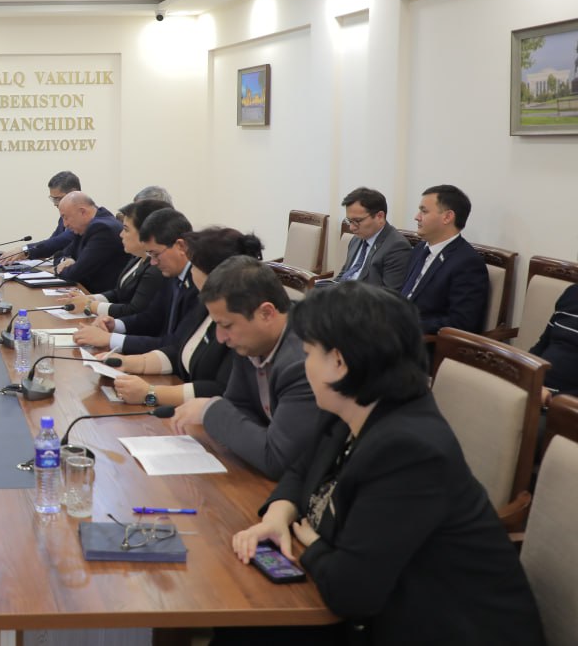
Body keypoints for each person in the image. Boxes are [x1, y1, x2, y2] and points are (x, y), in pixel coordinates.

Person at [227, 282, 545, 645]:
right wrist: (277, 516)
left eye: (308, 353)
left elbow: (351, 593)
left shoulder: (409, 450)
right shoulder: (352, 407)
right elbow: (301, 469)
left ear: (339, 363)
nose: (304, 364)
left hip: (443, 628)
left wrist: (313, 545)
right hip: (374, 604)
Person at [171, 255, 319, 479]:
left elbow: (277, 459)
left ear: (266, 313)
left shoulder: (303, 361)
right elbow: (238, 406)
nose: (220, 338)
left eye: (226, 325)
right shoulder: (251, 341)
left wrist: (211, 410)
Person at [109, 227, 263, 409]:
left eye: (194, 266)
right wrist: (130, 363)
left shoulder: (240, 318)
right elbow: (178, 347)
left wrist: (151, 393)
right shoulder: (203, 303)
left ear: (214, 274)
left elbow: (221, 389)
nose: (190, 270)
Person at [72, 208, 192, 353]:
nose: (153, 262)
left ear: (181, 246)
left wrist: (110, 339)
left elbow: (174, 344)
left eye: (155, 254)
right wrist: (115, 324)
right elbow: (151, 318)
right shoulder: (171, 274)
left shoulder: (193, 285)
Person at [399, 184, 489, 335]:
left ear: (447, 217)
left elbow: (461, 323)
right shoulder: (420, 249)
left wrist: (408, 325)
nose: (417, 217)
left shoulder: (467, 263)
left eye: (424, 211)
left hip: (422, 340)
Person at [65, 198, 170, 319]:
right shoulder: (137, 257)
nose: (121, 234)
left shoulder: (156, 267)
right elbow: (119, 292)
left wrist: (90, 305)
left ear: (145, 233)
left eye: (126, 229)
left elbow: (134, 310)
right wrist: (89, 298)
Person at [0, 170, 81, 264]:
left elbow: (63, 240)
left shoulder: (84, 218)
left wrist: (25, 250)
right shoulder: (64, 217)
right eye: (53, 199)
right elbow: (51, 244)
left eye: (58, 199)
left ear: (74, 194)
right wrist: (25, 254)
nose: (55, 204)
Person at [334, 187, 411, 289]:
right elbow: (344, 273)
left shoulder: (397, 247)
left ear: (379, 216)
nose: (351, 228)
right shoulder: (357, 239)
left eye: (357, 221)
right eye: (349, 221)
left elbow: (389, 294)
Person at [53, 192, 126, 291]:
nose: (65, 224)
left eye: (66, 217)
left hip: (101, 295)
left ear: (82, 212)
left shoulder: (102, 229)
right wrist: (67, 260)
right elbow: (60, 255)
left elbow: (73, 274)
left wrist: (60, 268)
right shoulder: (85, 226)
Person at [531, 283, 578, 398]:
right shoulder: (572, 293)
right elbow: (542, 345)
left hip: (565, 402)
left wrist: (551, 398)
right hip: (536, 388)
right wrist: (521, 372)